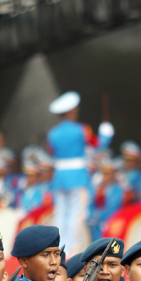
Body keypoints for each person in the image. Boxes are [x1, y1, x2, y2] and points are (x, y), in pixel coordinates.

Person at [46, 92, 110, 255]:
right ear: (72, 112)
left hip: (59, 177)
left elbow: (52, 151)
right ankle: (71, 251)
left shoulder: (52, 133)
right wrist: (106, 134)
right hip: (77, 176)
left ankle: (58, 249)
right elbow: (98, 145)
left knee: (61, 214)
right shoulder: (82, 129)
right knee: (76, 215)